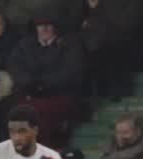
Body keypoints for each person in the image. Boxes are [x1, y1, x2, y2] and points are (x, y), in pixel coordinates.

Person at [7, 10, 87, 145]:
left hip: (60, 94)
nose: (44, 28)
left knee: (43, 113)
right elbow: (15, 68)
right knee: (20, 112)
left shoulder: (71, 44)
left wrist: (43, 83)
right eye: (40, 25)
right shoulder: (24, 45)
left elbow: (72, 71)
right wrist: (30, 83)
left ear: (56, 27)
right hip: (29, 93)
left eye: (48, 25)